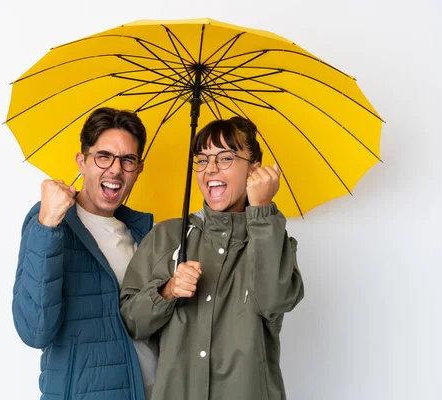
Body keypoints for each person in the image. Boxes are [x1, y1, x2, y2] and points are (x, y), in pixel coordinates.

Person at [120, 116, 304, 400]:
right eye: (202, 160)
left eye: (226, 158)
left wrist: (264, 210)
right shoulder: (167, 237)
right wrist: (166, 292)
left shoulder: (270, 239)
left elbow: (276, 300)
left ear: (254, 169)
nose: (211, 169)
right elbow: (131, 322)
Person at [12, 107, 158, 400]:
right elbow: (35, 330)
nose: (115, 169)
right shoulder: (50, 222)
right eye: (103, 156)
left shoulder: (145, 234)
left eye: (128, 160)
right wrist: (48, 226)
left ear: (139, 169)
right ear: (82, 161)